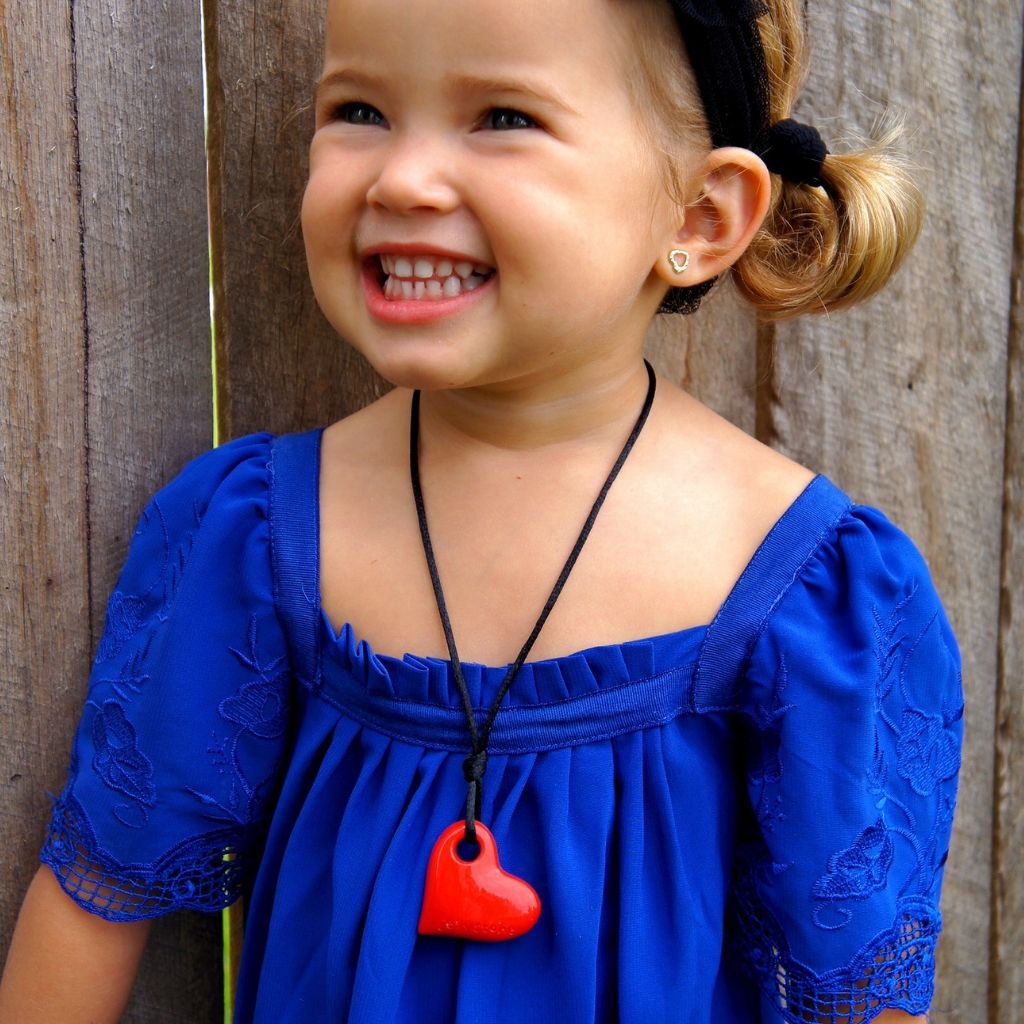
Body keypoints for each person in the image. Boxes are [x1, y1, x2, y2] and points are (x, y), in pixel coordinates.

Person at [0, 0, 963, 1020]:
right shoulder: (256, 534)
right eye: (360, 110)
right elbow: (96, 889)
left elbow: (860, 995)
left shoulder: (809, 592)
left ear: (699, 217)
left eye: (504, 117)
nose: (402, 179)